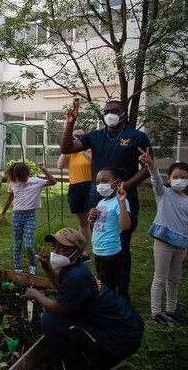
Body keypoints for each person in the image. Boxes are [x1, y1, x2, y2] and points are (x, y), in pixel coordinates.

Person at [61, 99, 151, 300]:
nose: (110, 113)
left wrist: (125, 186)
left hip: (123, 197)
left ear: (124, 114)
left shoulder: (137, 137)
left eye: (114, 110)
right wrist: (70, 124)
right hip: (98, 197)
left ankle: (122, 293)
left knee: (122, 243)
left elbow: (147, 167)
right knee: (102, 240)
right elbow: (66, 148)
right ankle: (104, 287)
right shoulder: (95, 136)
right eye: (107, 110)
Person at [21, 227, 143, 370]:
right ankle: (101, 358)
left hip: (121, 339)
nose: (55, 252)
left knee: (50, 321)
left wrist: (36, 294)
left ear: (78, 252)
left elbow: (58, 309)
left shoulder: (76, 276)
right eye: (54, 247)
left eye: (63, 249)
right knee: (60, 318)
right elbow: (62, 287)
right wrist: (47, 267)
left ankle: (75, 365)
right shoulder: (74, 266)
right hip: (123, 326)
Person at [138, 148, 188, 324]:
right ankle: (156, 313)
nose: (179, 180)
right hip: (164, 244)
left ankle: (171, 310)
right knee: (160, 277)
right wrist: (151, 164)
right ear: (169, 179)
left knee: (174, 279)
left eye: (183, 177)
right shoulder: (163, 194)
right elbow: (155, 179)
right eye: (176, 177)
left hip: (181, 245)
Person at [0, 161, 57, 275]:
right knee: (17, 243)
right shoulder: (13, 183)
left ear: (28, 174)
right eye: (19, 178)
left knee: (29, 244)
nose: (22, 180)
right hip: (16, 216)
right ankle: (18, 267)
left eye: (24, 177)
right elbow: (9, 199)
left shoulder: (36, 181)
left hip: (29, 216)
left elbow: (53, 182)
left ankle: (33, 265)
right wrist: (2, 214)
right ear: (15, 176)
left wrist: (44, 169)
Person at [88, 167, 131, 294]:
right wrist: (91, 217)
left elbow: (125, 226)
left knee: (107, 287)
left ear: (117, 183)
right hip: (98, 250)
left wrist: (122, 203)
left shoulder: (120, 202)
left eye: (105, 181)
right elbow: (97, 224)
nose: (100, 185)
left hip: (110, 253)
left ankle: (110, 308)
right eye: (98, 182)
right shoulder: (101, 201)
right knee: (103, 282)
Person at [57, 125, 92, 259]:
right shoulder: (70, 152)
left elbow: (94, 163)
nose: (78, 138)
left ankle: (101, 248)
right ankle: (83, 251)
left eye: (81, 136)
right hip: (75, 187)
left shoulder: (90, 149)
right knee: (83, 222)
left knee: (95, 221)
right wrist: (65, 148)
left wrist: (82, 149)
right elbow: (60, 166)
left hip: (90, 186)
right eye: (75, 136)